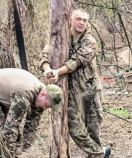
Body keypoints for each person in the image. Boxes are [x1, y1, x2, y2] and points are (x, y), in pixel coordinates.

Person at [39, 8, 110, 158]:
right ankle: (100, 154)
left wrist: (57, 71)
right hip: (70, 91)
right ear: (71, 20)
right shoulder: (60, 37)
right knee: (74, 127)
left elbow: (76, 61)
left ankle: (95, 155)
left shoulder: (90, 42)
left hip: (89, 89)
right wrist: (47, 70)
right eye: (78, 19)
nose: (81, 23)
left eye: (84, 20)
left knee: (94, 127)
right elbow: (45, 55)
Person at [0, 68, 63, 157]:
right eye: (46, 105)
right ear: (43, 95)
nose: (45, 109)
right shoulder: (25, 94)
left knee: (15, 138)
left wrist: (25, 152)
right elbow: (10, 128)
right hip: (4, 95)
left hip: (4, 97)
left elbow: (31, 127)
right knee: (3, 134)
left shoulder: (41, 93)